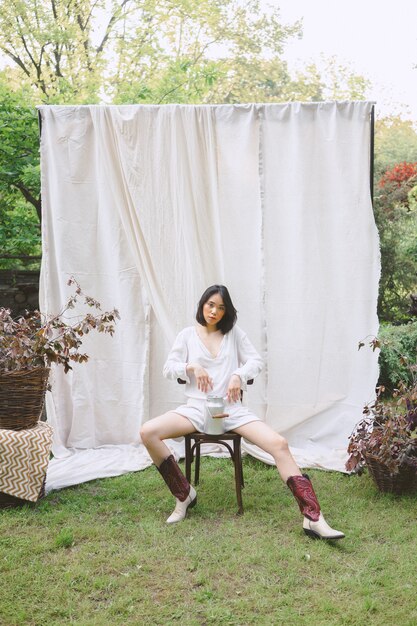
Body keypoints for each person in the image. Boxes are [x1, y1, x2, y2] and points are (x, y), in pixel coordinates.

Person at [140, 285, 345, 540]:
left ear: (227, 312)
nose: (214, 311)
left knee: (279, 444)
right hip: (196, 409)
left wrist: (239, 374)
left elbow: (255, 361)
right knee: (148, 432)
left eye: (221, 308)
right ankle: (184, 495)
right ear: (202, 304)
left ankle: (313, 518)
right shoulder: (186, 336)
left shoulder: (234, 334)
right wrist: (191, 366)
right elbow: (169, 368)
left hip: (232, 410)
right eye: (210, 304)